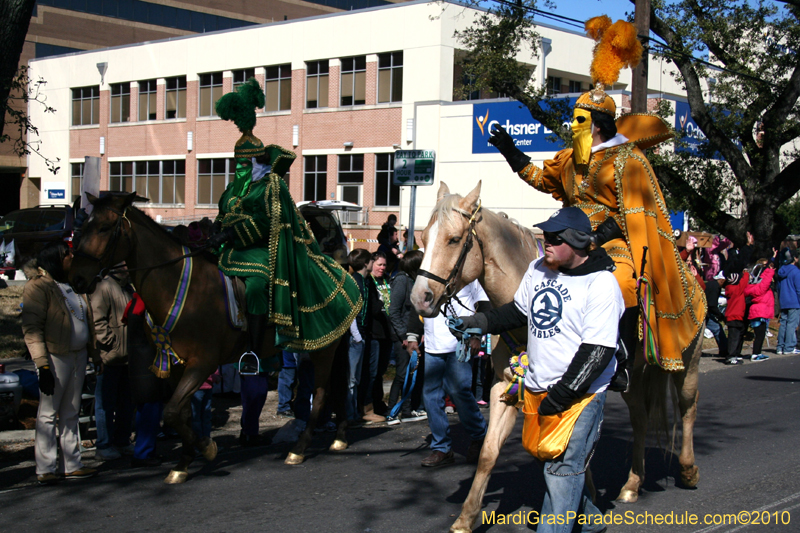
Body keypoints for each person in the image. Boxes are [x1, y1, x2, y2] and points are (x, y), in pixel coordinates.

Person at [488, 17, 704, 386]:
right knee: (537, 276)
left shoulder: (628, 161)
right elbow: (543, 181)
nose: (573, 126)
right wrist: (512, 152)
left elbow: (634, 212)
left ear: (599, 125)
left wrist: (597, 236)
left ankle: (618, 355)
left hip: (615, 240)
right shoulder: (571, 159)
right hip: (569, 233)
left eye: (580, 120)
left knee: (620, 281)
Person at [453, 207, 623, 532]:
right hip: (537, 389)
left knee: (561, 471)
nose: (545, 242)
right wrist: (478, 323)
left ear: (576, 243)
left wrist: (559, 397)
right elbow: (517, 313)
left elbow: (597, 352)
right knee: (551, 462)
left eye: (555, 238)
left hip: (579, 397)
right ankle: (590, 522)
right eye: (545, 235)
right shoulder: (537, 269)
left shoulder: (601, 285)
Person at [207, 78, 360, 360]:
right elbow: (222, 213)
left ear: (255, 163)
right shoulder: (231, 189)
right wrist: (213, 230)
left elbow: (264, 224)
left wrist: (229, 234)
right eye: (236, 164)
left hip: (260, 251)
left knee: (254, 287)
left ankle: (252, 350)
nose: (240, 169)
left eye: (245, 164)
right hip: (228, 250)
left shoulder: (268, 188)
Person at [22, 242, 100, 484]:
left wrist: (94, 354)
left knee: (71, 411)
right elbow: (32, 329)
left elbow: (86, 319)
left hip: (78, 355)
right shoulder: (39, 287)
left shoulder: (71, 285)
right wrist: (43, 365)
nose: (71, 256)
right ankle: (45, 468)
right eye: (67, 254)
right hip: (55, 357)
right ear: (56, 259)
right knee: (48, 412)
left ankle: (72, 464)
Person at [408, 278, 490, 467]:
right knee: (431, 397)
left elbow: (485, 306)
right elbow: (418, 307)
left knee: (459, 391)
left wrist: (477, 334)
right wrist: (412, 335)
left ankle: (480, 436)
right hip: (433, 346)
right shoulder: (429, 276)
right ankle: (441, 448)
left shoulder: (470, 279)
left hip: (460, 344)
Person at [89, 270, 135, 462]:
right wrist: (111, 342)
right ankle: (104, 444)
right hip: (109, 357)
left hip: (129, 357)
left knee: (127, 402)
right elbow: (96, 319)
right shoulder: (104, 286)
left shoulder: (128, 288)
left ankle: (122, 440)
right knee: (105, 404)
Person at [387, 250, 424, 422]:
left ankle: (407, 411)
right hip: (401, 336)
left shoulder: (417, 281)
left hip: (413, 335)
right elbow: (394, 310)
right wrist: (404, 335)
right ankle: (391, 410)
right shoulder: (402, 280)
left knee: (411, 372)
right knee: (402, 373)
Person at [361, 252, 393, 421]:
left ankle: (378, 403)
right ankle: (367, 407)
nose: (382, 268)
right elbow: (373, 308)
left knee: (380, 371)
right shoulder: (368, 282)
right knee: (371, 372)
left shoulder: (387, 280)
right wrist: (382, 302)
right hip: (374, 332)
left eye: (384, 265)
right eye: (379, 265)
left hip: (387, 332)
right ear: (372, 264)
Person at [347, 249, 373, 424]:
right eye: (371, 260)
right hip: (355, 338)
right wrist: (357, 336)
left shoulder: (365, 281)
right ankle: (349, 415)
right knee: (351, 379)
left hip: (361, 336)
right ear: (365, 263)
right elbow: (351, 311)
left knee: (356, 378)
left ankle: (354, 412)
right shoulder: (354, 282)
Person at [745, 259, 774, 361]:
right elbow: (765, 282)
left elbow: (762, 278)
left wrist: (766, 269)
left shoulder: (753, 286)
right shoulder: (759, 288)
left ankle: (757, 352)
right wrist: (770, 271)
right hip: (759, 312)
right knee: (759, 335)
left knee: (759, 334)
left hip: (757, 311)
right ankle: (756, 354)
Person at [775, 248, 800, 355]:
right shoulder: (796, 271)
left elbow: (779, 287)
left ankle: (780, 346)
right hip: (794, 301)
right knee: (791, 324)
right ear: (795, 258)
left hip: (784, 300)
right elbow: (799, 289)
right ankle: (789, 347)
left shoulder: (781, 271)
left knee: (783, 323)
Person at [724, 270, 749, 365]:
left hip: (731, 315)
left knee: (734, 337)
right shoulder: (737, 290)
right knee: (734, 338)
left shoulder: (729, 288)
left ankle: (733, 354)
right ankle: (731, 356)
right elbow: (744, 282)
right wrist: (746, 273)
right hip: (735, 316)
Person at [704, 272, 729, 360]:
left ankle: (724, 350)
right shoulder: (715, 287)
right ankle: (724, 350)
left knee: (716, 328)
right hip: (704, 312)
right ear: (722, 280)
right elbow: (712, 304)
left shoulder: (711, 284)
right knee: (717, 329)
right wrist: (720, 316)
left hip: (704, 311)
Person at [192, 368, 220, 443]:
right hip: (197, 387)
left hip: (208, 387)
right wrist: (213, 377)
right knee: (196, 418)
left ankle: (207, 442)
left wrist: (216, 375)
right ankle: (199, 443)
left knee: (206, 417)